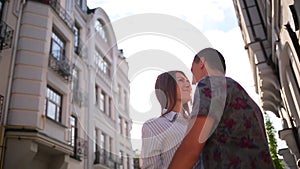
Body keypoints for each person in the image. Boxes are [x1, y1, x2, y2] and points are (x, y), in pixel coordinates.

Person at [168, 48, 275, 169]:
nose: (192, 81)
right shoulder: (251, 103)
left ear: (202, 63)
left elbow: (191, 148)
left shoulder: (209, 84)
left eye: (193, 71)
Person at [141, 70, 200, 169]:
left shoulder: (197, 123)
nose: (188, 85)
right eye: (181, 80)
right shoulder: (153, 126)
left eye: (188, 81)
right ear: (167, 88)